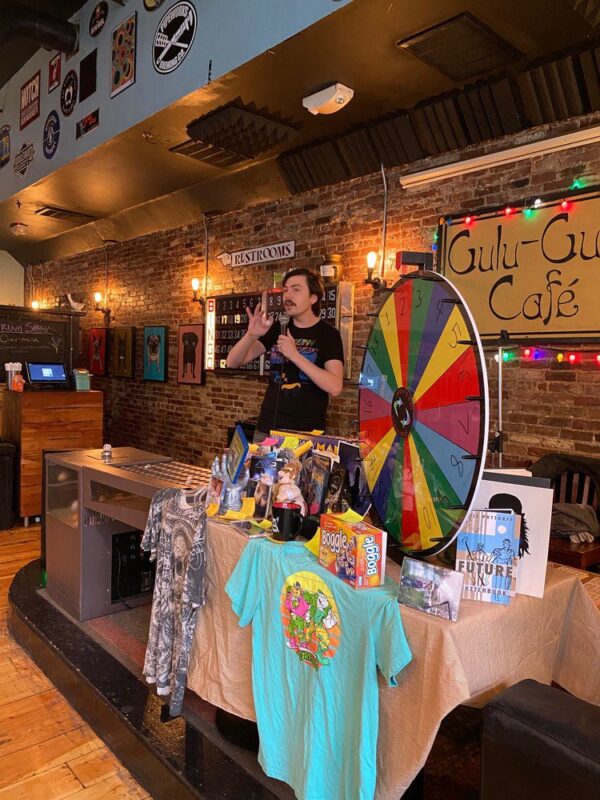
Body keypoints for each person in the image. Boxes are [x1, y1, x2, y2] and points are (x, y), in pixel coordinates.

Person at [226, 269, 344, 433]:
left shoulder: (328, 334)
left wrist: (295, 356)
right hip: (267, 428)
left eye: (296, 289)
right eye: (286, 290)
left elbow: (335, 387)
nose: (287, 296)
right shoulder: (277, 328)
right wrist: (250, 335)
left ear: (313, 298)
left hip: (306, 434)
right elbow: (232, 362)